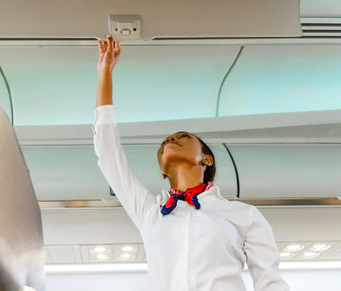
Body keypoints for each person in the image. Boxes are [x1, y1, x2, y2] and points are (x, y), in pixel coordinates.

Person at [93, 33, 290, 291]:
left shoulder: (244, 215)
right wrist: (104, 73)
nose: (171, 139)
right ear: (162, 170)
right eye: (166, 141)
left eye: (182, 137)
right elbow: (108, 154)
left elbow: (270, 283)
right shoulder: (150, 211)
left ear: (206, 158)